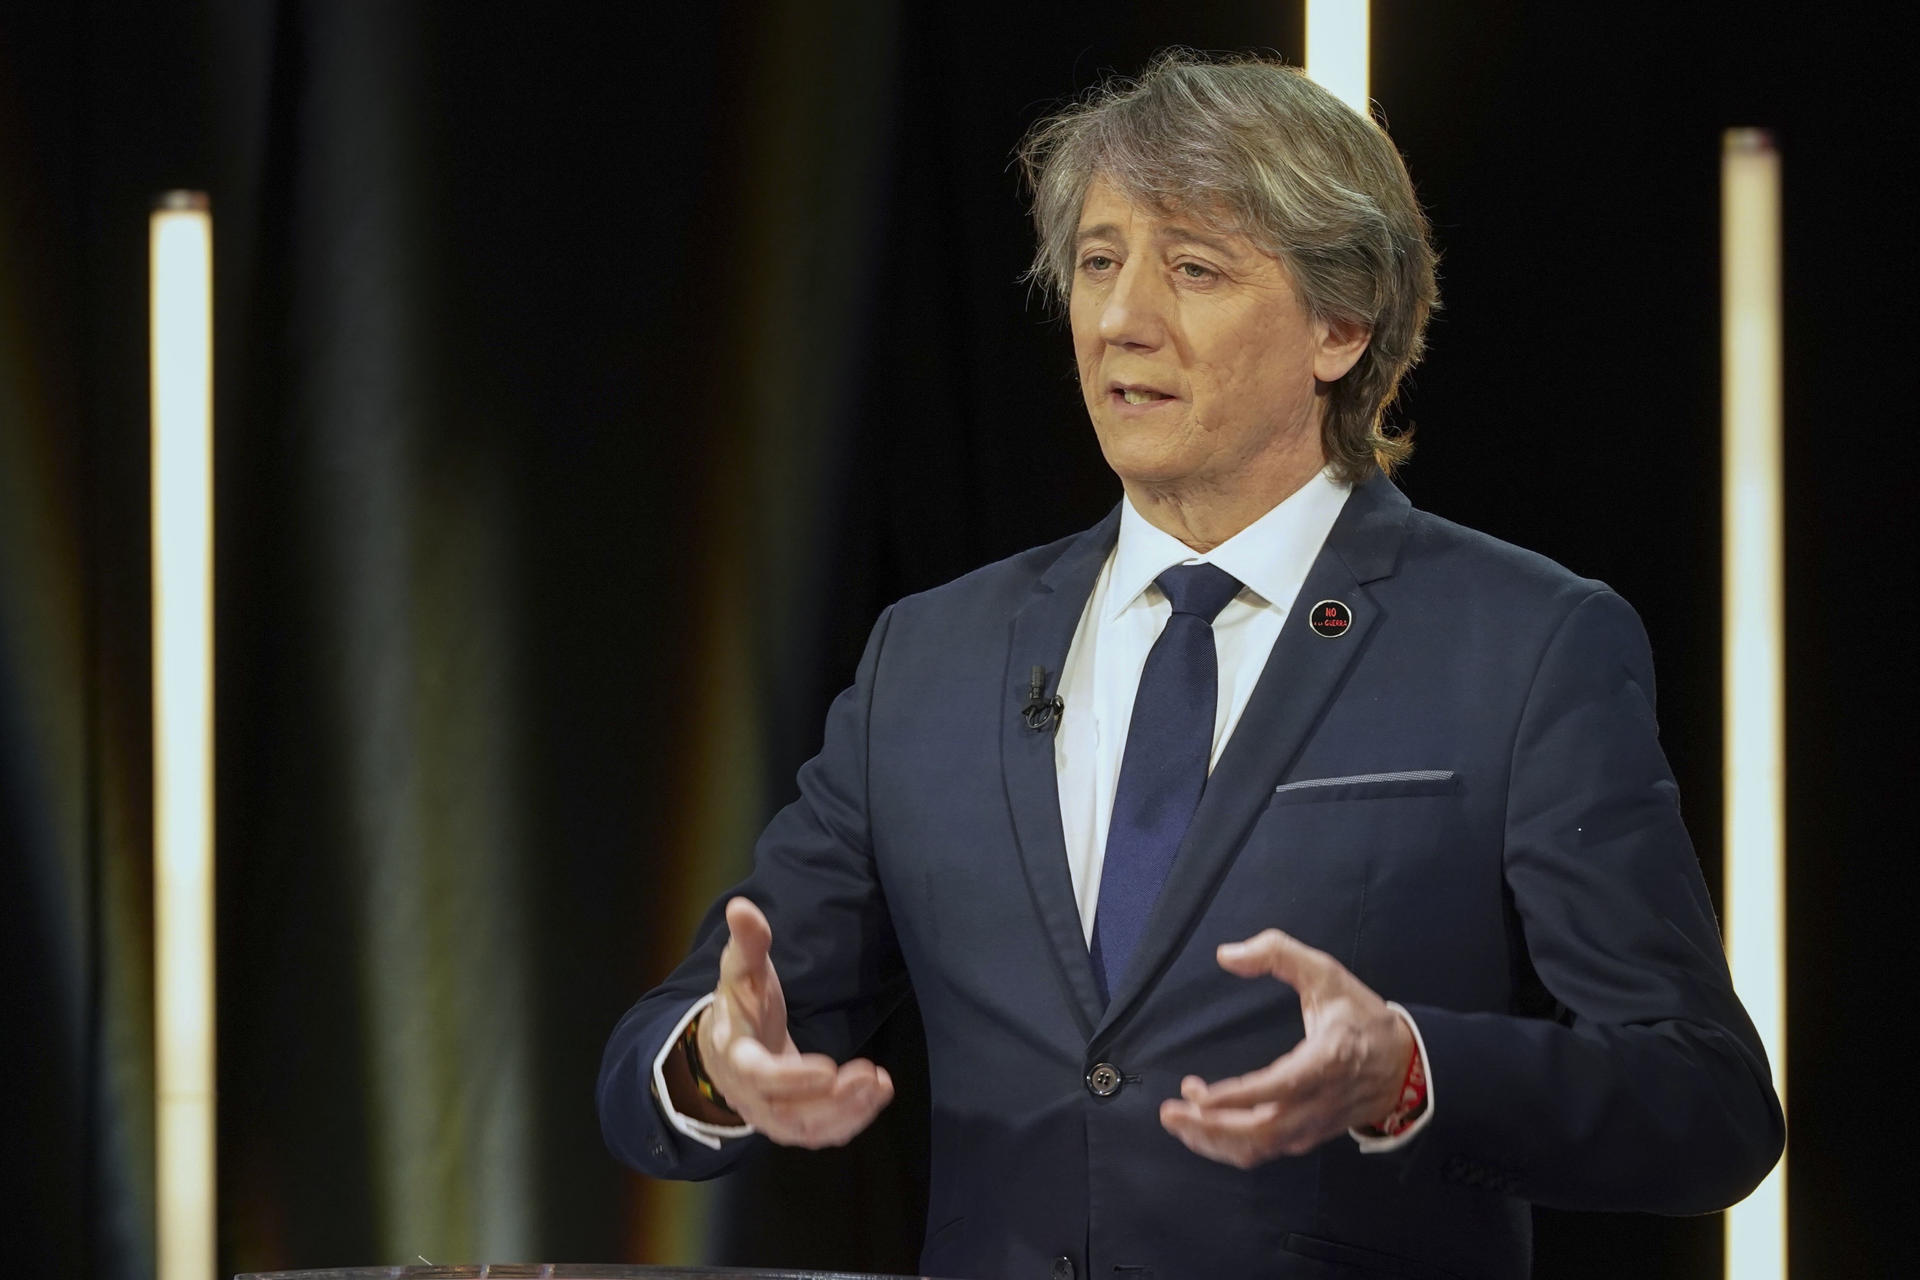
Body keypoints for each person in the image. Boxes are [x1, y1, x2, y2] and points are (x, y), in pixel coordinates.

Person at [598, 50, 1783, 1280]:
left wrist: (1411, 1070)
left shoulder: (1524, 643)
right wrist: (714, 1064)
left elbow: (1704, 1099)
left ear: (1340, 326)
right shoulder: (932, 657)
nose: (1121, 318)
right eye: (1098, 262)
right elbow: (660, 1062)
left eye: (1195, 268)